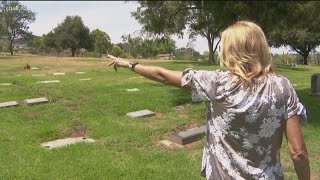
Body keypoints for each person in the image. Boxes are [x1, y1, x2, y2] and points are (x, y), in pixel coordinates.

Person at [107, 21, 310, 180]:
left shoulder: (216, 83)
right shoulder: (283, 87)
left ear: (230, 50)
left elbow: (162, 75)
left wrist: (130, 64)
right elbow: (298, 152)